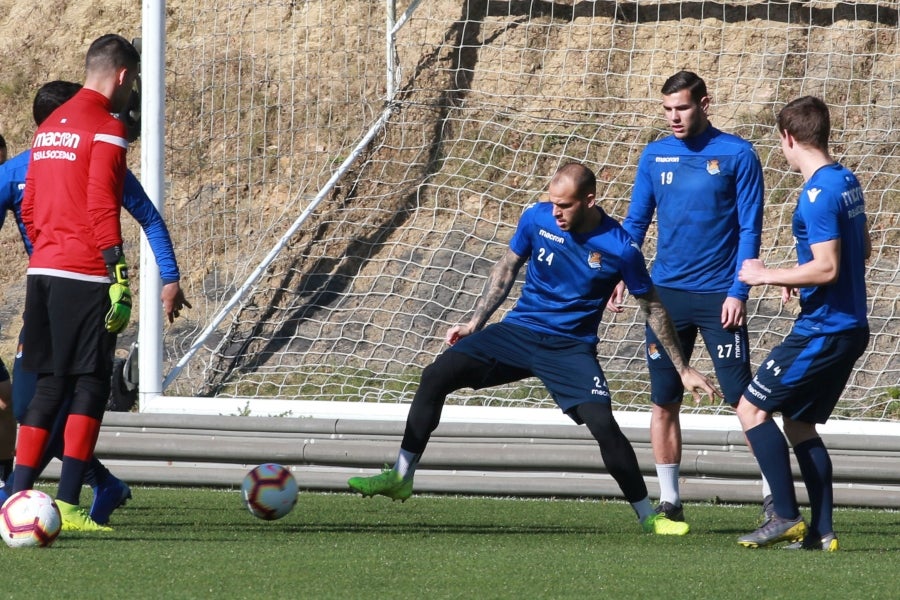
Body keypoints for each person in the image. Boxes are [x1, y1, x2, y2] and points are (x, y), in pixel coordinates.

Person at [348, 162, 721, 535]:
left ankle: (649, 517)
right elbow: (506, 267)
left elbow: (652, 307)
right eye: (553, 202)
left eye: (565, 205)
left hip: (570, 348)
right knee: (435, 376)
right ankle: (401, 475)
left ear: (589, 200)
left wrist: (682, 368)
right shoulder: (536, 218)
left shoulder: (620, 248)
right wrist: (475, 323)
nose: (556, 212)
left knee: (604, 425)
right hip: (518, 332)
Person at [0, 79, 191, 526]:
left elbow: (146, 215)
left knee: (71, 395)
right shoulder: (18, 170)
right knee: (34, 404)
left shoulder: (90, 158)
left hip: (81, 286)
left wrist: (169, 275)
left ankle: (33, 496)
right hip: (51, 291)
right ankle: (95, 483)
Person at [613, 71, 765, 524]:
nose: (673, 117)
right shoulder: (655, 154)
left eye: (681, 107)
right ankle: (670, 502)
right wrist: (619, 272)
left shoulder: (738, 154)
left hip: (720, 298)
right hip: (666, 298)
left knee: (743, 399)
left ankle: (774, 497)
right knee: (664, 398)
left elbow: (750, 229)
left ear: (704, 103)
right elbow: (636, 223)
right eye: (667, 109)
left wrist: (739, 290)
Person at [9, 34, 142, 532]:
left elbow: (29, 204)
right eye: (132, 82)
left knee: (48, 385)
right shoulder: (107, 128)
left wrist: (47, 247)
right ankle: (67, 505)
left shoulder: (47, 129)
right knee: (90, 383)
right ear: (123, 75)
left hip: (43, 269)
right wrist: (118, 273)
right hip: (85, 271)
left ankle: (16, 496)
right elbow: (102, 204)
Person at [735, 96, 870, 551]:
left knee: (751, 409)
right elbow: (862, 249)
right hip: (848, 326)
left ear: (788, 137)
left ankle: (785, 516)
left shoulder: (817, 194)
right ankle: (822, 533)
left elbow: (828, 267)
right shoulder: (846, 180)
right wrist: (798, 276)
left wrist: (766, 275)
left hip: (824, 330)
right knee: (798, 423)